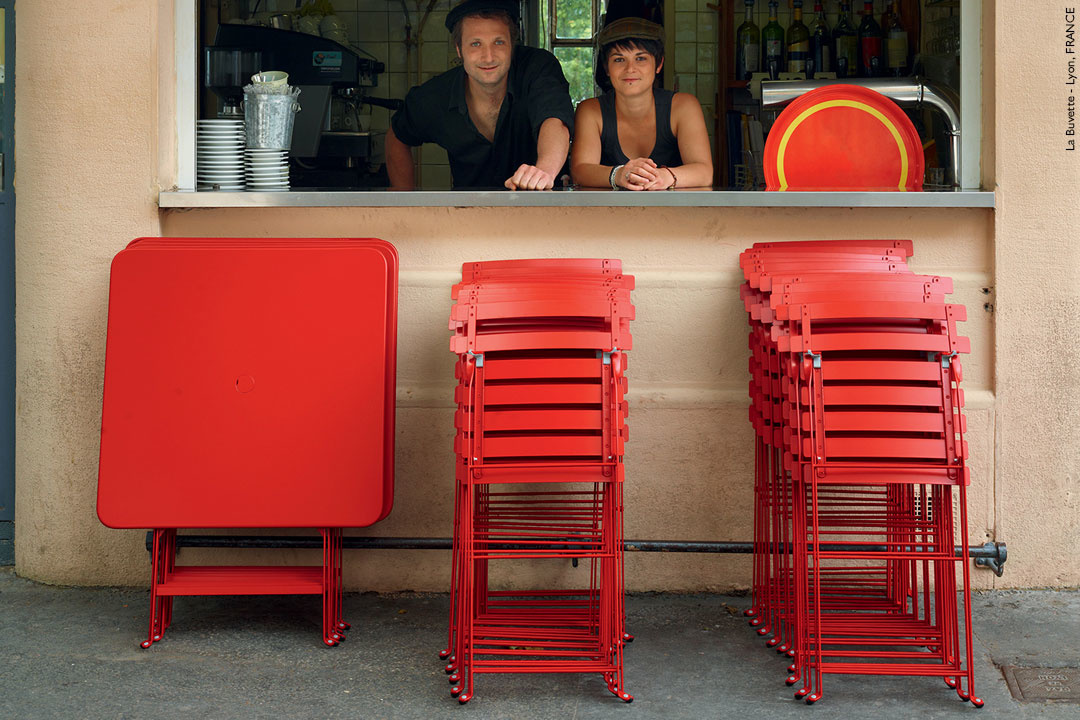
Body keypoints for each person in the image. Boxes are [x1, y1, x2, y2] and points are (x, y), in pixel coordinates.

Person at [385, 0, 574, 190]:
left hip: (541, 204)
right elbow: (398, 135)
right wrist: (403, 197)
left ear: (512, 45)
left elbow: (555, 120)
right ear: (459, 50)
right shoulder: (436, 95)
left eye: (498, 42)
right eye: (475, 44)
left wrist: (544, 171)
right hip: (467, 207)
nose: (488, 57)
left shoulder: (537, 67)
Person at [570, 17, 713, 190]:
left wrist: (664, 177)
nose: (630, 68)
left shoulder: (683, 106)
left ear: (659, 64)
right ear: (607, 68)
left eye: (641, 58)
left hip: (675, 208)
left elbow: (705, 172)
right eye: (619, 59)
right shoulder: (591, 110)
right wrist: (619, 174)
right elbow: (580, 171)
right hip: (608, 208)